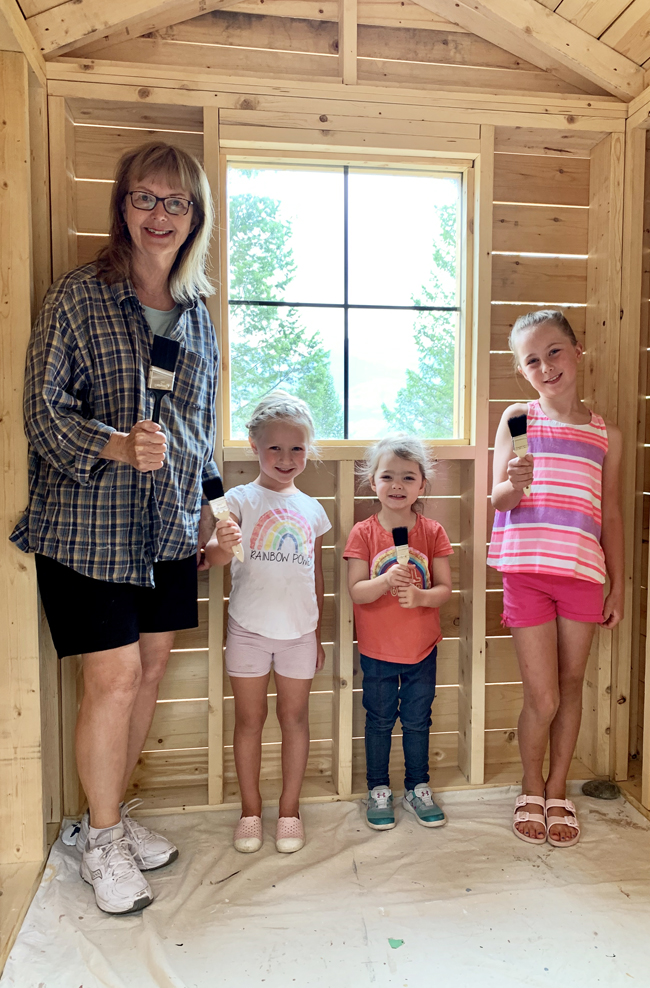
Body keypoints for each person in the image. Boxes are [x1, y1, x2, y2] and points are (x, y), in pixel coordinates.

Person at [11, 142, 220, 914]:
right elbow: (42, 412)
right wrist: (116, 445)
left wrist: (211, 506)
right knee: (116, 678)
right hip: (86, 527)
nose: (159, 214)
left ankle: (106, 820)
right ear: (121, 205)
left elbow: (198, 426)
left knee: (151, 673)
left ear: (195, 216)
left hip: (169, 528)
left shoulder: (198, 314)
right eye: (144, 197)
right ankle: (101, 840)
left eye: (176, 202)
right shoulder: (78, 296)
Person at [488, 309, 623, 848]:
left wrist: (618, 584)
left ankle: (557, 789)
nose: (545, 367)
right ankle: (531, 786)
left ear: (577, 351)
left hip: (583, 574)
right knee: (542, 698)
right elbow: (499, 500)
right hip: (527, 573)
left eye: (554, 352)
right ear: (522, 371)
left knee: (570, 687)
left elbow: (611, 513)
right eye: (532, 361)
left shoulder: (607, 435)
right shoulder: (518, 419)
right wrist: (513, 482)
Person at [205, 392, 331, 854]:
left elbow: (316, 577)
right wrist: (221, 542)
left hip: (299, 636)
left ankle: (290, 811)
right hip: (248, 632)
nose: (285, 458)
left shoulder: (313, 510)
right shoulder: (237, 501)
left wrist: (317, 635)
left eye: (296, 448)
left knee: (294, 720)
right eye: (274, 447)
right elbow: (214, 558)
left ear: (307, 450)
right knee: (249, 722)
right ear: (254, 446)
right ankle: (251, 812)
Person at [344, 436, 453, 831]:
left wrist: (421, 597)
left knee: (418, 720)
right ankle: (378, 789)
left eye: (408, 477)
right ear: (372, 481)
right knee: (378, 721)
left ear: (422, 484)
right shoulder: (363, 533)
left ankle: (417, 787)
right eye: (387, 476)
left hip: (422, 650)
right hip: (377, 652)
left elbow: (445, 589)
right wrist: (386, 580)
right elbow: (357, 591)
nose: (397, 485)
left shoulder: (433, 532)